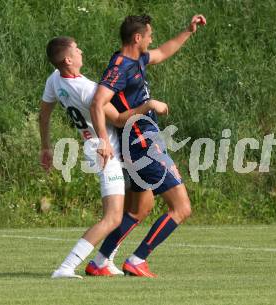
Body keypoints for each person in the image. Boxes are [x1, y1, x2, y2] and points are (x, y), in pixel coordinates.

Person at [39, 36, 168, 278]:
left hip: (102, 148)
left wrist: (45, 146)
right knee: (112, 217)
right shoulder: (87, 90)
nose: (81, 51)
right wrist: (148, 105)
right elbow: (119, 119)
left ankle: (105, 260)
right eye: (77, 49)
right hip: (106, 153)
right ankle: (66, 267)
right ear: (68, 59)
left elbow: (44, 113)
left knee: (139, 204)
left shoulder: (55, 80)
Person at [89, 13, 206, 277]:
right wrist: (103, 141)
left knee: (140, 208)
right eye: (149, 35)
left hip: (141, 141)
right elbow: (97, 102)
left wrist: (188, 30)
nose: (153, 39)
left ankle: (99, 261)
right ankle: (137, 259)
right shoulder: (120, 67)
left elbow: (164, 52)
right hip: (142, 143)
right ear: (137, 37)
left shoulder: (137, 58)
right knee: (182, 208)